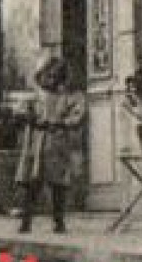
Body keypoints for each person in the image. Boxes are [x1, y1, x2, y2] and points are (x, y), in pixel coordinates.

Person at [14, 54, 87, 233]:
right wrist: (27, 117)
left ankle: (59, 220)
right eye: (47, 76)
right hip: (36, 142)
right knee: (32, 182)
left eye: (55, 76)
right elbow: (21, 112)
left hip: (57, 142)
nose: (50, 80)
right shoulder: (35, 96)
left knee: (58, 184)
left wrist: (61, 123)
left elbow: (77, 116)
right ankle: (26, 220)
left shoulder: (70, 97)